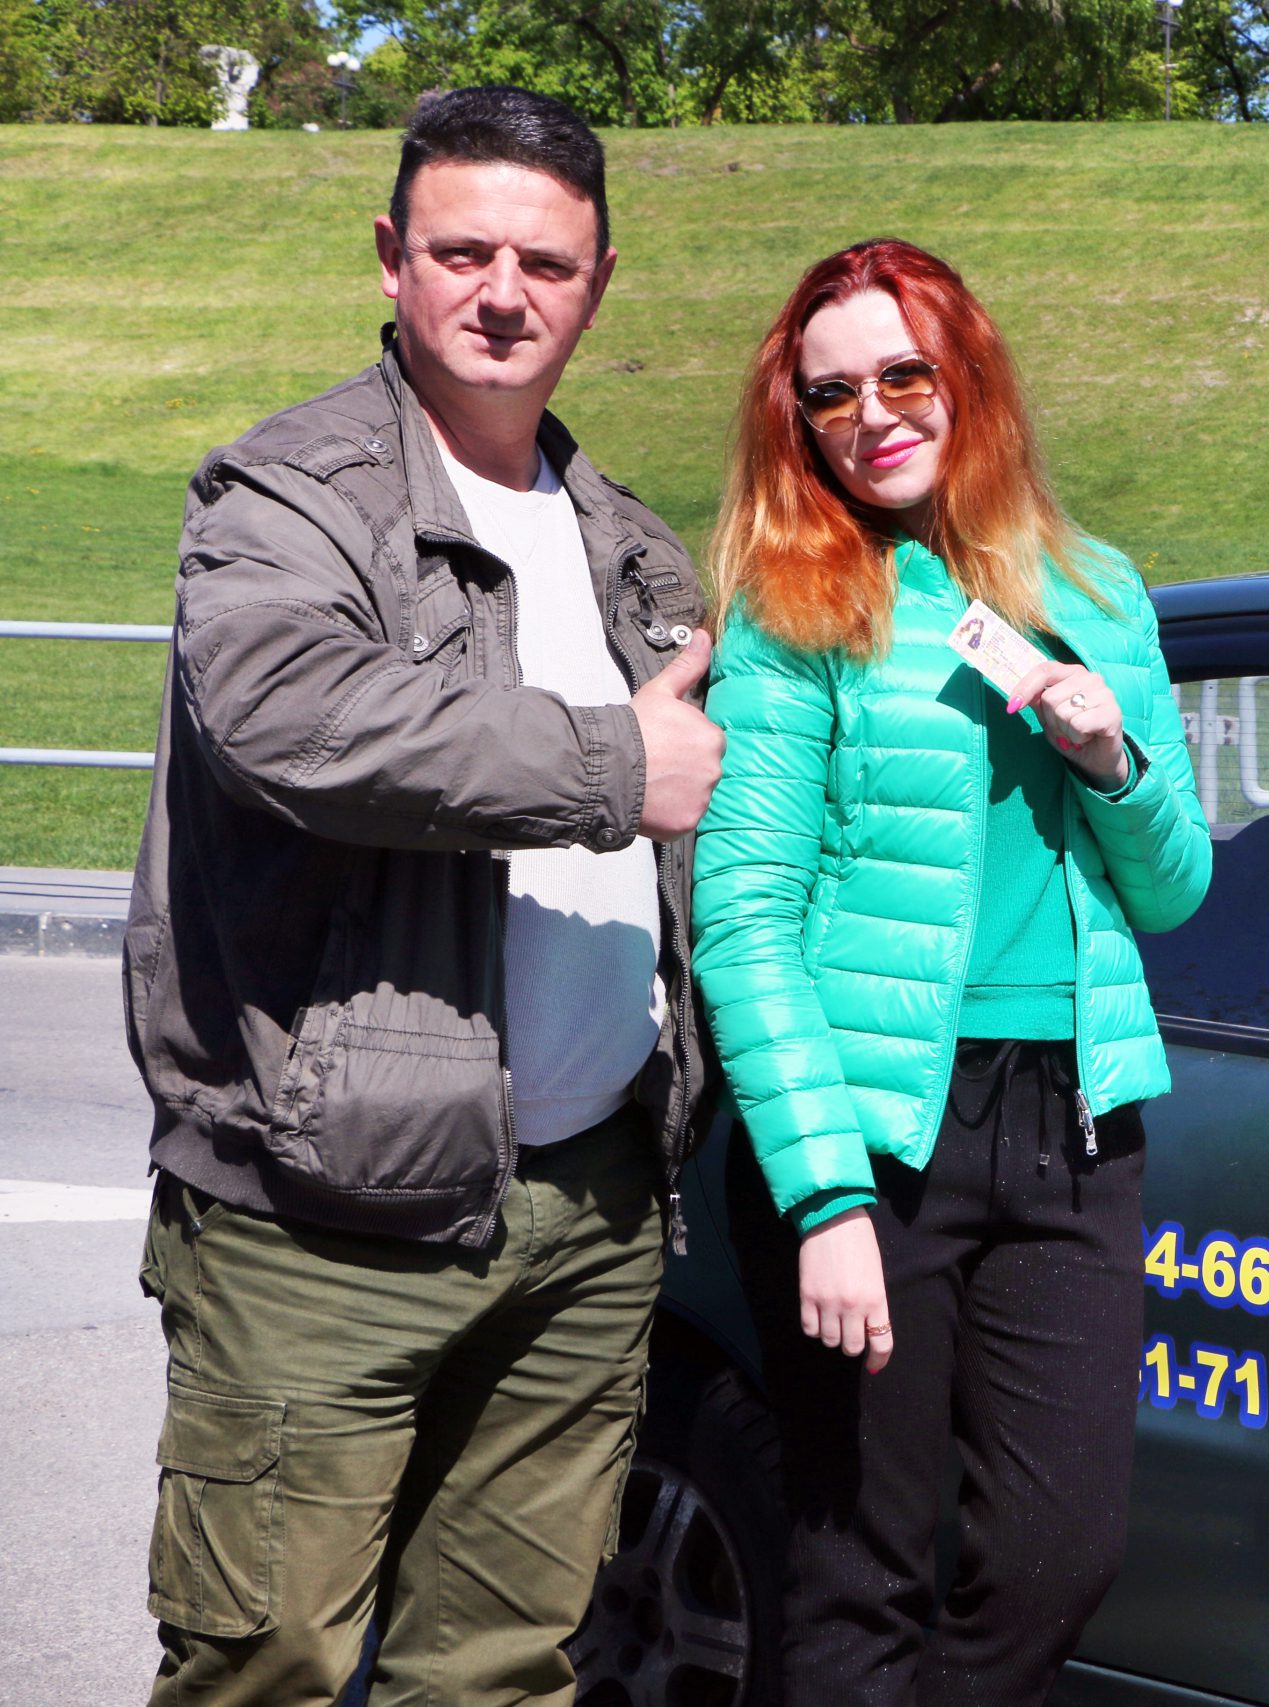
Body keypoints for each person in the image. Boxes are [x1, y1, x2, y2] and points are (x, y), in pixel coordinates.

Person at [122, 86, 722, 1706]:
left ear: (599, 283)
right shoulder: (288, 498)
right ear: (392, 258)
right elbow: (293, 715)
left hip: (588, 1215)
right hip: (321, 1218)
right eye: (464, 252)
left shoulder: (628, 545)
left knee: (498, 1675)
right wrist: (613, 763)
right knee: (265, 1671)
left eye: (547, 262)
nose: (503, 293)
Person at [690, 237, 1211, 1705]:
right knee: (859, 1572)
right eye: (830, 393)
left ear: (967, 376)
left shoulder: (1098, 589)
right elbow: (744, 917)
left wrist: (1109, 762)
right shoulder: (796, 606)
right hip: (869, 1135)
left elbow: (1176, 890)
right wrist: (824, 1200)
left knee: (1058, 1557)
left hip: (1074, 1125)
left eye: (903, 375)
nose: (872, 416)